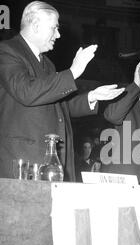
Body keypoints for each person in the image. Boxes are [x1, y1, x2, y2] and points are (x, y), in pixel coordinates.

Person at [0, 1, 124, 181]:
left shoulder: (47, 63)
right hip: (23, 161)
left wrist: (92, 96)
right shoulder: (7, 51)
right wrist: (73, 71)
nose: (58, 35)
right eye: (54, 28)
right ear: (35, 26)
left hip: (51, 160)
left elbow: (58, 105)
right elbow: (26, 91)